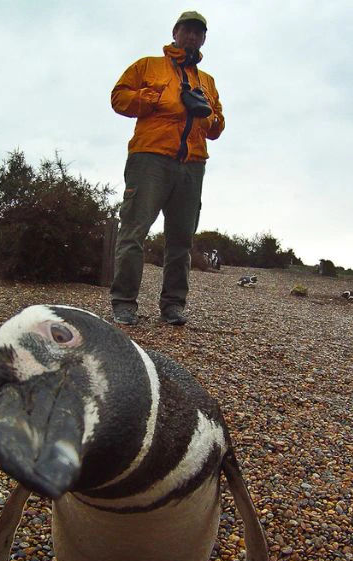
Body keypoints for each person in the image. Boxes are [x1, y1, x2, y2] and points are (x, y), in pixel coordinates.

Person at [109, 10, 224, 326]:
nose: (192, 37)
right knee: (133, 231)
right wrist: (152, 97)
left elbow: (218, 125)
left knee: (181, 241)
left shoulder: (208, 82)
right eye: (187, 30)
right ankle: (124, 304)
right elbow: (119, 98)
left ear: (203, 39)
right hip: (150, 159)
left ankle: (173, 306)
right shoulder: (148, 66)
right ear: (175, 32)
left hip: (193, 165)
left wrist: (208, 117)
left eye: (199, 33)